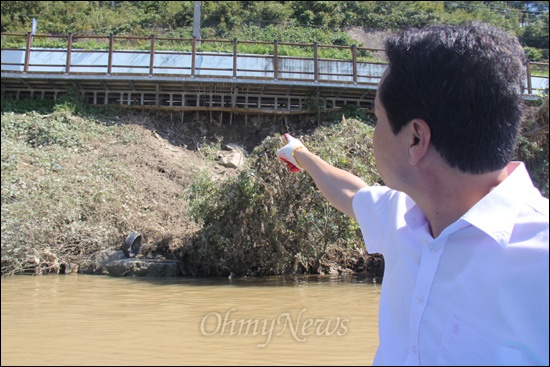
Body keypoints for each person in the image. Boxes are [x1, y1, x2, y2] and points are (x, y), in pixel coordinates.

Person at [276, 23, 549, 366]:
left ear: (415, 139)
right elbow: (351, 192)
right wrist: (300, 154)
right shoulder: (405, 214)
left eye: (377, 118)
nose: (374, 133)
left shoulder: (541, 260)